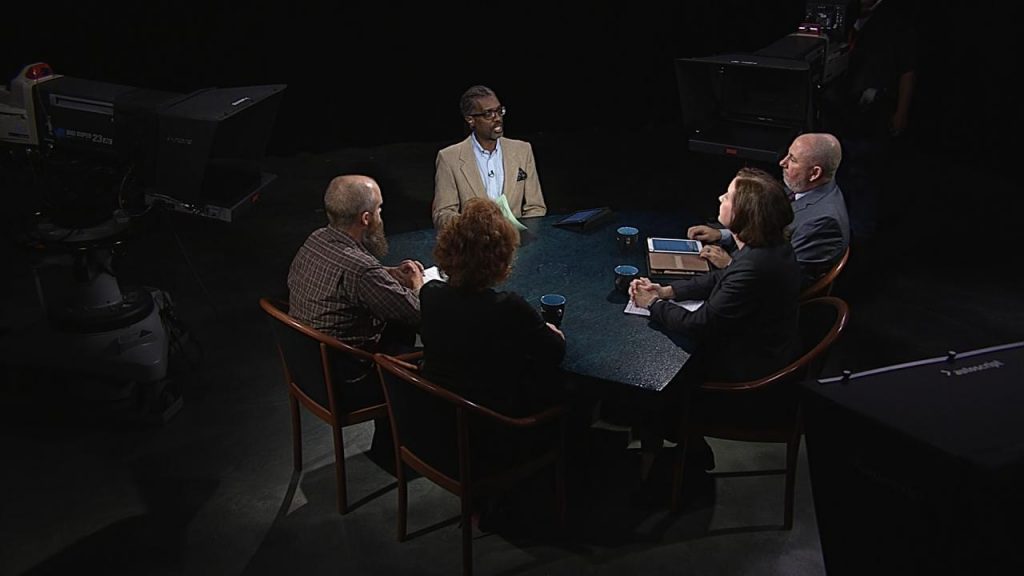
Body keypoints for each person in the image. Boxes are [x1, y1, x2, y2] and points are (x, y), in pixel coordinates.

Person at [630, 167, 802, 477]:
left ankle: (658, 469)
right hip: (761, 348)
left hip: (746, 375)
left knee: (650, 383)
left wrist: (653, 304)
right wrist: (669, 290)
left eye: (729, 196)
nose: (720, 198)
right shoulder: (767, 249)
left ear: (744, 213)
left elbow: (701, 325)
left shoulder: (754, 266)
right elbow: (720, 278)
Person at [420, 197, 565, 417]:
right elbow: (555, 352)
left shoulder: (430, 293)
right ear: (502, 258)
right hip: (494, 427)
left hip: (437, 416)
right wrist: (552, 332)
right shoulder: (509, 307)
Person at [688, 133, 849, 289]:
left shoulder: (825, 223)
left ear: (814, 173)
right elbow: (766, 227)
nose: (782, 162)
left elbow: (787, 281)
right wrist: (723, 235)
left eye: (792, 159)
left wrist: (730, 264)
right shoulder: (799, 189)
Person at [287, 174, 423, 352]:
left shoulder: (317, 238)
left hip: (306, 357)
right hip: (350, 366)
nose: (381, 214)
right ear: (365, 218)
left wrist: (385, 274)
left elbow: (343, 277)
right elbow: (416, 313)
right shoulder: (361, 269)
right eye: (379, 208)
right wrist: (417, 284)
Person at [431, 85, 546, 230]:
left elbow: (536, 207)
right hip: (473, 247)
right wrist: (472, 226)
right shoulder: (449, 158)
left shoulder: (523, 150)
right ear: (470, 120)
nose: (497, 118)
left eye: (499, 111)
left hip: (516, 245)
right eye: (488, 114)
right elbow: (442, 214)